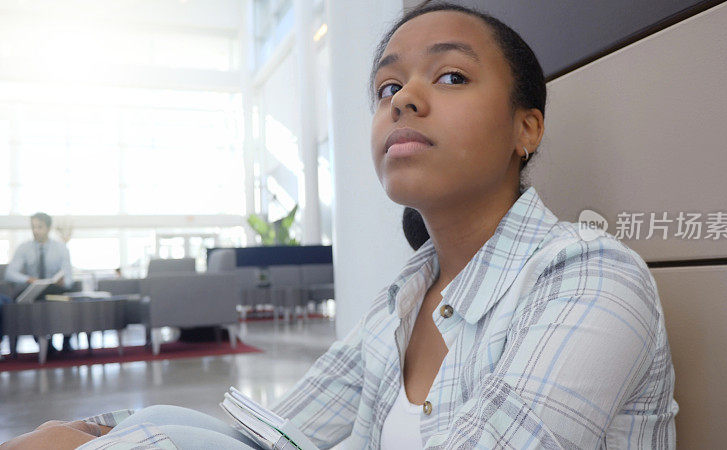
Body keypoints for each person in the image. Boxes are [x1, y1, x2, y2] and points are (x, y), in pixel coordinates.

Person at [2, 2, 678, 449]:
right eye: (387, 89)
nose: (404, 99)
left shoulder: (591, 277)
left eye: (449, 76)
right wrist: (97, 430)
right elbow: (277, 436)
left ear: (526, 127)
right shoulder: (402, 303)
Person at [4, 211, 76, 354]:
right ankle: (46, 345)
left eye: (39, 227)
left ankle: (66, 342)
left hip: (54, 290)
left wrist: (63, 282)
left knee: (68, 299)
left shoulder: (61, 248)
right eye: (33, 227)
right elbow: (10, 274)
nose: (35, 231)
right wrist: (28, 279)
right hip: (32, 291)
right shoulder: (24, 248)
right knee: (32, 302)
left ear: (48, 228)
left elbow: (69, 278)